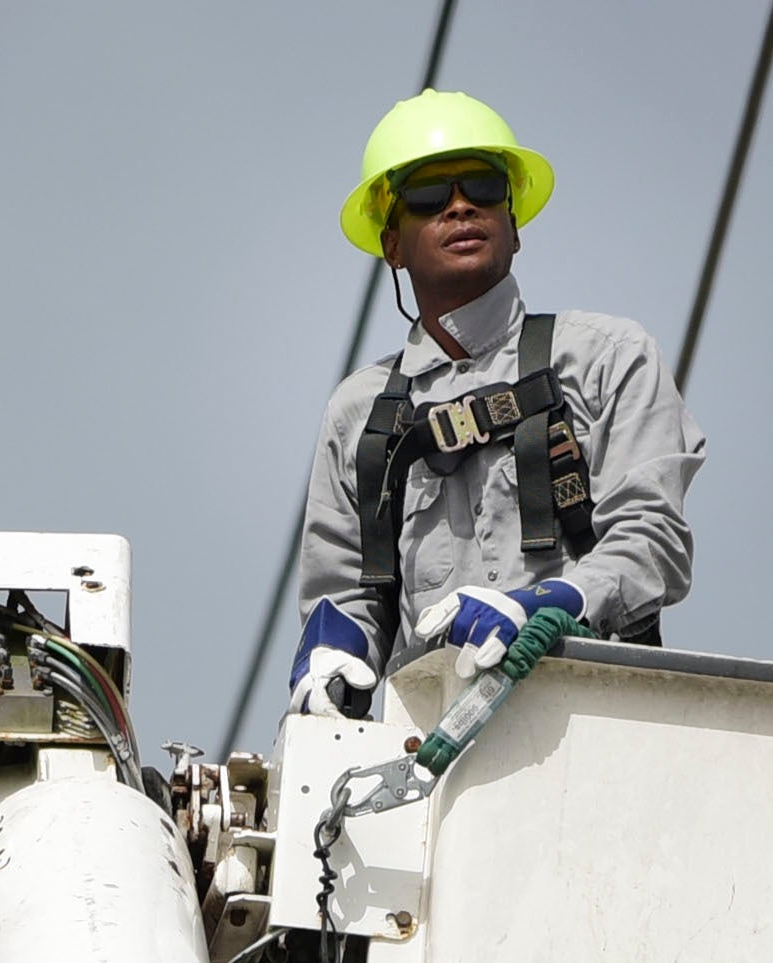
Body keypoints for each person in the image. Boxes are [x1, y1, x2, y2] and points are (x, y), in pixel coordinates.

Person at [283, 92, 699, 719]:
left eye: (482, 186)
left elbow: (653, 539)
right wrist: (331, 654)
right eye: (428, 195)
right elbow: (343, 595)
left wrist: (557, 602)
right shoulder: (361, 414)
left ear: (514, 224)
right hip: (426, 757)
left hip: (587, 722)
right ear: (392, 243)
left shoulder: (604, 357)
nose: (460, 205)